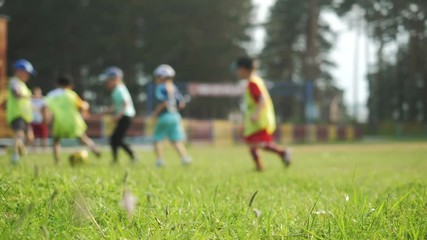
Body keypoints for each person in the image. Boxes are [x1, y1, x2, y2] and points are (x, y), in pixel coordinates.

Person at [234, 57, 291, 171]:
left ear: (244, 69)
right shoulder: (255, 80)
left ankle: (283, 152)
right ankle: (259, 166)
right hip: (255, 121)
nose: (237, 72)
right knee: (251, 143)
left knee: (260, 143)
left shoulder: (253, 83)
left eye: (238, 69)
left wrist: (256, 113)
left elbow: (262, 99)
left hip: (259, 120)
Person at [44, 75, 100, 164]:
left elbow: (46, 107)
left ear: (57, 84)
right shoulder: (71, 94)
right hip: (74, 121)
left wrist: (47, 120)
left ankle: (57, 161)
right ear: (69, 85)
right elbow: (83, 106)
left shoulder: (51, 95)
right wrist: (84, 113)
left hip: (59, 122)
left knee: (56, 141)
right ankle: (95, 150)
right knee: (83, 138)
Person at [151, 64, 191, 167]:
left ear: (161, 77)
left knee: (158, 139)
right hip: (175, 116)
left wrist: (155, 114)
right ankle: (184, 158)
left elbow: (163, 102)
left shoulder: (160, 87)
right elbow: (181, 104)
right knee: (176, 140)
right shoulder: (174, 88)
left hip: (165, 116)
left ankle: (160, 161)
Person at [100, 67, 137, 164]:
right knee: (114, 139)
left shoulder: (120, 89)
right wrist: (107, 111)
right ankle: (116, 159)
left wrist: (119, 116)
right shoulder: (116, 90)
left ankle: (132, 156)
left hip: (126, 116)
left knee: (117, 139)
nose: (107, 83)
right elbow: (116, 106)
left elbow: (126, 103)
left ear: (115, 79)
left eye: (108, 80)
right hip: (123, 116)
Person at [6, 59, 35, 164]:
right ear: (19, 71)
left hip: (26, 115)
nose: (28, 76)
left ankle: (20, 152)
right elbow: (16, 94)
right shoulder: (14, 81)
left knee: (30, 138)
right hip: (17, 113)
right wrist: (29, 95)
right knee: (19, 135)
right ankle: (15, 156)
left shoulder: (23, 85)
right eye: (27, 73)